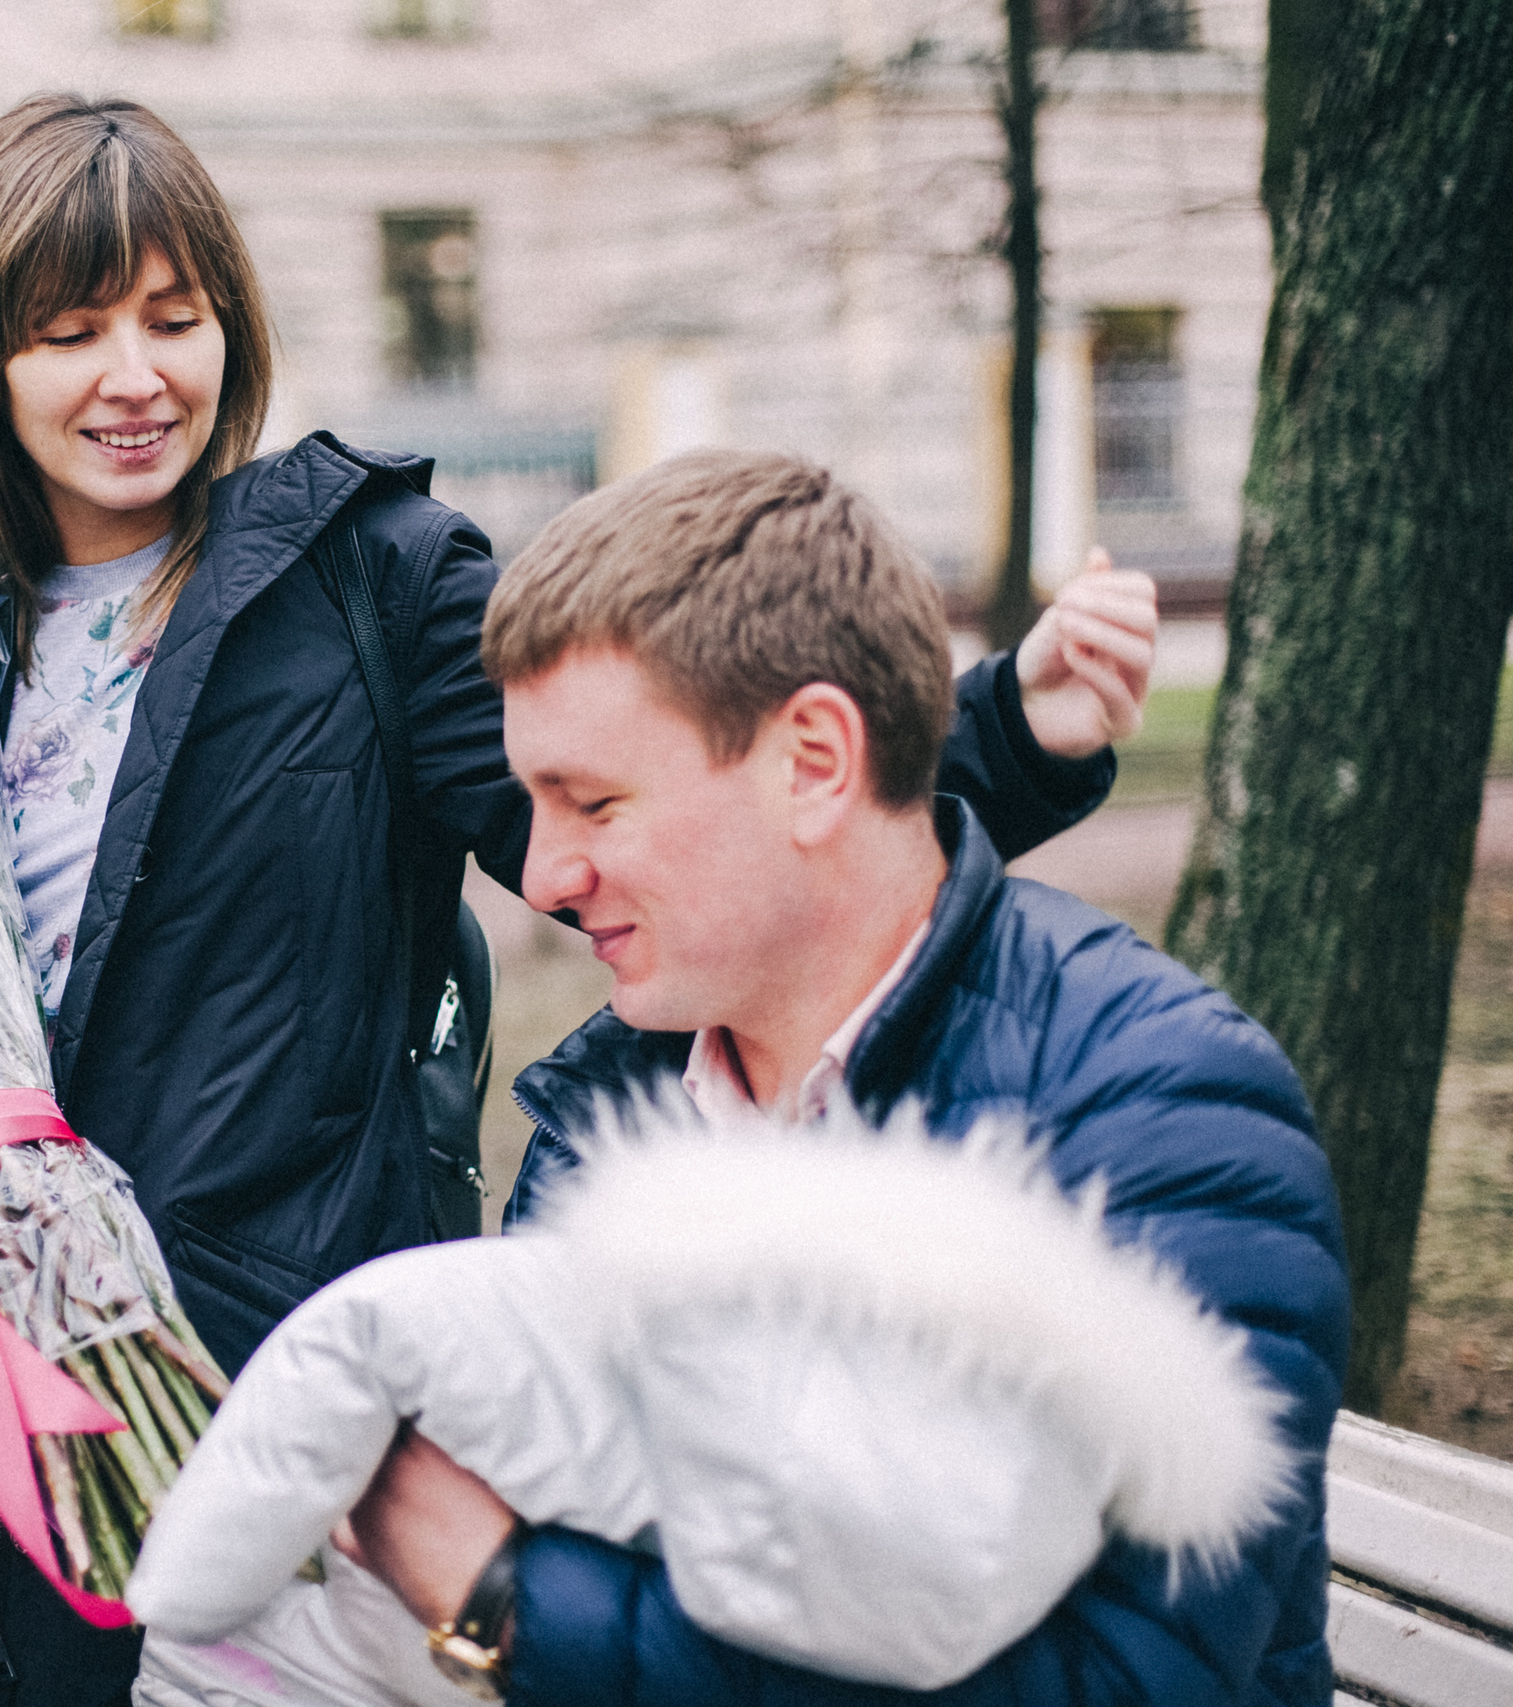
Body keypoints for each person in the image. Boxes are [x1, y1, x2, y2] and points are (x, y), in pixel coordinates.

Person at [0, 100, 1158, 1707]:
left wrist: (1008, 731)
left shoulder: (366, 582)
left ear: (233, 326)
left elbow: (655, 817)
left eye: (173, 317)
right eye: (68, 331)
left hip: (257, 1402)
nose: (135, 377)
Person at [334, 449, 1348, 1706]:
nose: (541, 876)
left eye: (591, 804)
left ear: (813, 762)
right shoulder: (617, 1116)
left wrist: (501, 1598)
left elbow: (1126, 1684)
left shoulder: (1161, 1107)